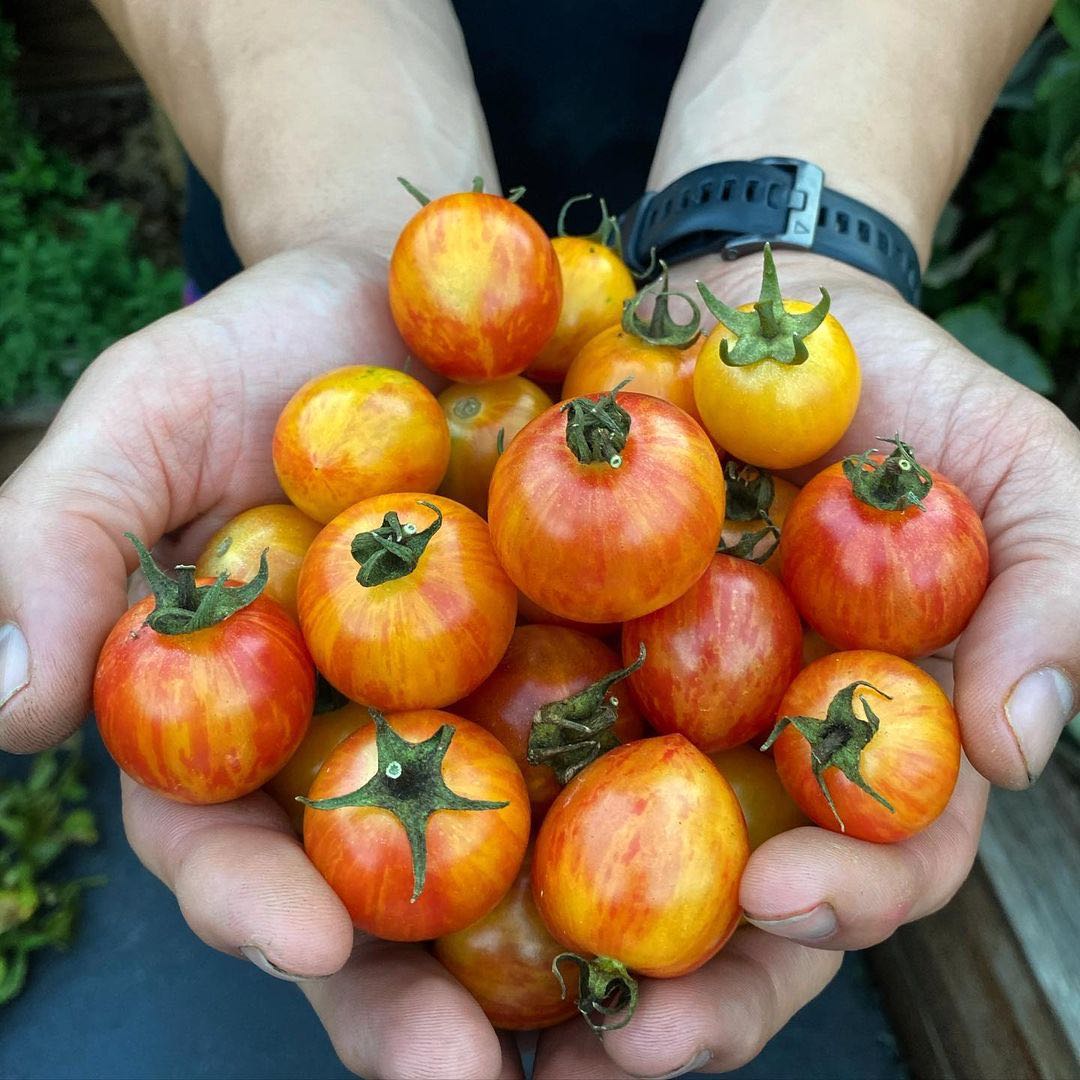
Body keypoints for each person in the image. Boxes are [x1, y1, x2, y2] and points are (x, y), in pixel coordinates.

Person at [0, 1, 1074, 1076]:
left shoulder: (646, 480)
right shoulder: (426, 519)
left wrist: (789, 218)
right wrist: (344, 220)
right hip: (323, 155)